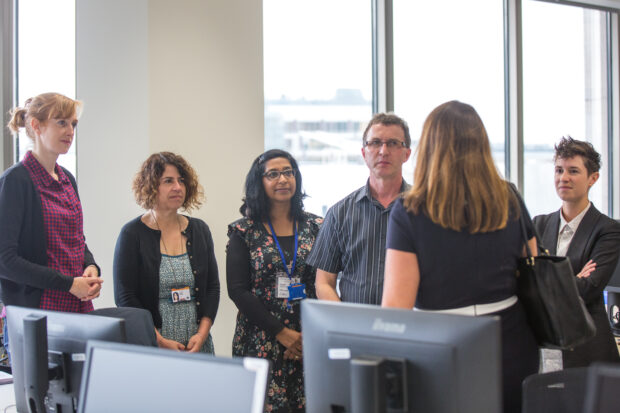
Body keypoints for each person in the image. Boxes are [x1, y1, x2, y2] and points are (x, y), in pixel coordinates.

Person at [382, 101, 539, 413]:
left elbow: (395, 310)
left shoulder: (409, 211)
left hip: (442, 352)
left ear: (429, 147)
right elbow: (534, 268)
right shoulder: (509, 197)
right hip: (513, 347)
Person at [0, 93, 103, 355]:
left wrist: (89, 265)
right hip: (34, 315)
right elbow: (5, 261)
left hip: (75, 310)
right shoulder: (15, 181)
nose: (70, 131)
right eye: (61, 122)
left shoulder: (67, 178)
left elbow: (75, 239)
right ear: (36, 126)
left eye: (73, 124)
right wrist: (69, 283)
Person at [227, 149, 322, 412]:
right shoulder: (243, 231)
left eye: (288, 172)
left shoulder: (317, 227)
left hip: (307, 340)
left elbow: (322, 284)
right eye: (273, 174)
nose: (283, 179)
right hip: (260, 338)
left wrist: (302, 338)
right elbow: (238, 290)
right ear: (260, 182)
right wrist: (283, 334)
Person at [114, 152, 219, 353]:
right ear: (151, 186)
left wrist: (202, 334)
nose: (177, 187)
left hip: (198, 342)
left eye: (181, 181)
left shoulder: (200, 230)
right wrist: (160, 341)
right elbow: (125, 297)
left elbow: (212, 288)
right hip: (153, 344)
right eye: (168, 181)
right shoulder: (132, 233)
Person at [533, 137, 620, 368]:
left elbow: (590, 288)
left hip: (586, 352)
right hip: (543, 352)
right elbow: (529, 288)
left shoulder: (608, 230)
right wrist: (575, 278)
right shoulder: (539, 225)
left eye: (573, 171)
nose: (564, 178)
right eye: (559, 170)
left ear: (593, 178)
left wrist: (548, 282)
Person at [307, 113, 412, 304]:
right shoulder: (339, 213)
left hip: (411, 326)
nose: (383, 151)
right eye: (375, 142)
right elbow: (323, 283)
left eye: (393, 143)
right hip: (355, 327)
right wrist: (345, 322)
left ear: (407, 154)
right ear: (364, 153)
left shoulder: (426, 210)